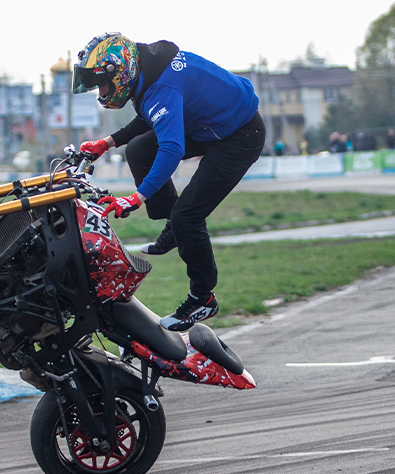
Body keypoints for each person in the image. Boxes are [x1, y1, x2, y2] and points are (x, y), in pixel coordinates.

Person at [73, 32, 265, 331]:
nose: (101, 93)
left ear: (120, 72)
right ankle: (175, 228)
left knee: (187, 215)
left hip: (239, 136)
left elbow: (172, 148)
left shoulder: (162, 85)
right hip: (211, 124)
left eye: (102, 84)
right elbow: (151, 117)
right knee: (137, 150)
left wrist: (136, 197)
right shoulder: (147, 70)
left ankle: (202, 298)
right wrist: (108, 143)